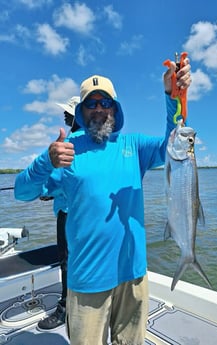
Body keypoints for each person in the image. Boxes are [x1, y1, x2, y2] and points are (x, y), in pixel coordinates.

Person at [14, 57, 191, 345]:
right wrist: (45, 161)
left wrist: (174, 96)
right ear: (82, 111)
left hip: (133, 277)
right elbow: (21, 192)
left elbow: (176, 142)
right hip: (86, 283)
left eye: (105, 102)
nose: (99, 109)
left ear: (115, 108)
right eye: (91, 103)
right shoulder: (67, 152)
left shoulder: (133, 146)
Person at [38, 96, 80, 330]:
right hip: (83, 212)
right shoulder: (91, 141)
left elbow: (55, 184)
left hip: (68, 213)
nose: (64, 115)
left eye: (69, 112)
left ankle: (65, 308)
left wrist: (46, 190)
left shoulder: (70, 142)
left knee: (66, 261)